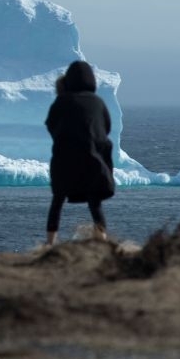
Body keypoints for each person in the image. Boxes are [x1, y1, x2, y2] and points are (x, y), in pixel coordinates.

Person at [44, 60, 115, 245]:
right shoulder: (98, 102)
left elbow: (51, 125)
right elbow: (105, 128)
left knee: (57, 200)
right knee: (94, 200)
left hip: (64, 161)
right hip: (92, 159)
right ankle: (102, 240)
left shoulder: (61, 102)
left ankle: (50, 243)